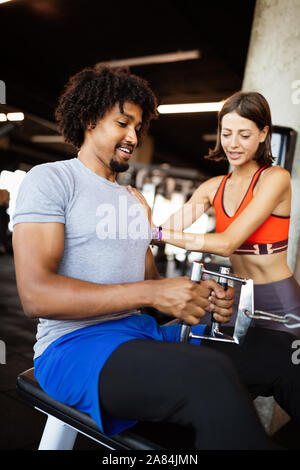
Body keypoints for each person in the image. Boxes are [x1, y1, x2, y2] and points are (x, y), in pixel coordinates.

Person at [12, 66, 299, 450]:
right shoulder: (51, 180)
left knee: (285, 354)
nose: (133, 136)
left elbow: (152, 284)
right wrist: (151, 293)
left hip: (142, 334)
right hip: (74, 348)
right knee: (209, 373)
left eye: (139, 127)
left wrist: (199, 295)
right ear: (88, 119)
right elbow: (36, 296)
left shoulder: (135, 201)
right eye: (122, 123)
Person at [130, 91, 300, 338]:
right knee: (190, 348)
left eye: (244, 135)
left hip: (278, 300)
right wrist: (142, 222)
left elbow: (227, 244)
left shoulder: (275, 179)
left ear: (263, 134)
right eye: (227, 133)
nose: (233, 144)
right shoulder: (212, 187)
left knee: (284, 372)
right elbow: (160, 233)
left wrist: (158, 232)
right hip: (234, 297)